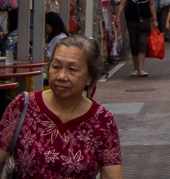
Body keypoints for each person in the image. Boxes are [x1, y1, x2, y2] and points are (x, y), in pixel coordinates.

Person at [0, 35, 124, 178]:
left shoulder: (103, 121)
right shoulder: (23, 106)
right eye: (56, 67)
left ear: (90, 77)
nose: (61, 76)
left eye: (72, 69)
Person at [115, 0, 156, 77]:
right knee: (133, 43)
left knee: (143, 42)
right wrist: (118, 16)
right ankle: (135, 67)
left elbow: (152, 5)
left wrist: (155, 19)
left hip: (145, 19)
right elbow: (122, 3)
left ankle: (141, 68)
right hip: (131, 19)